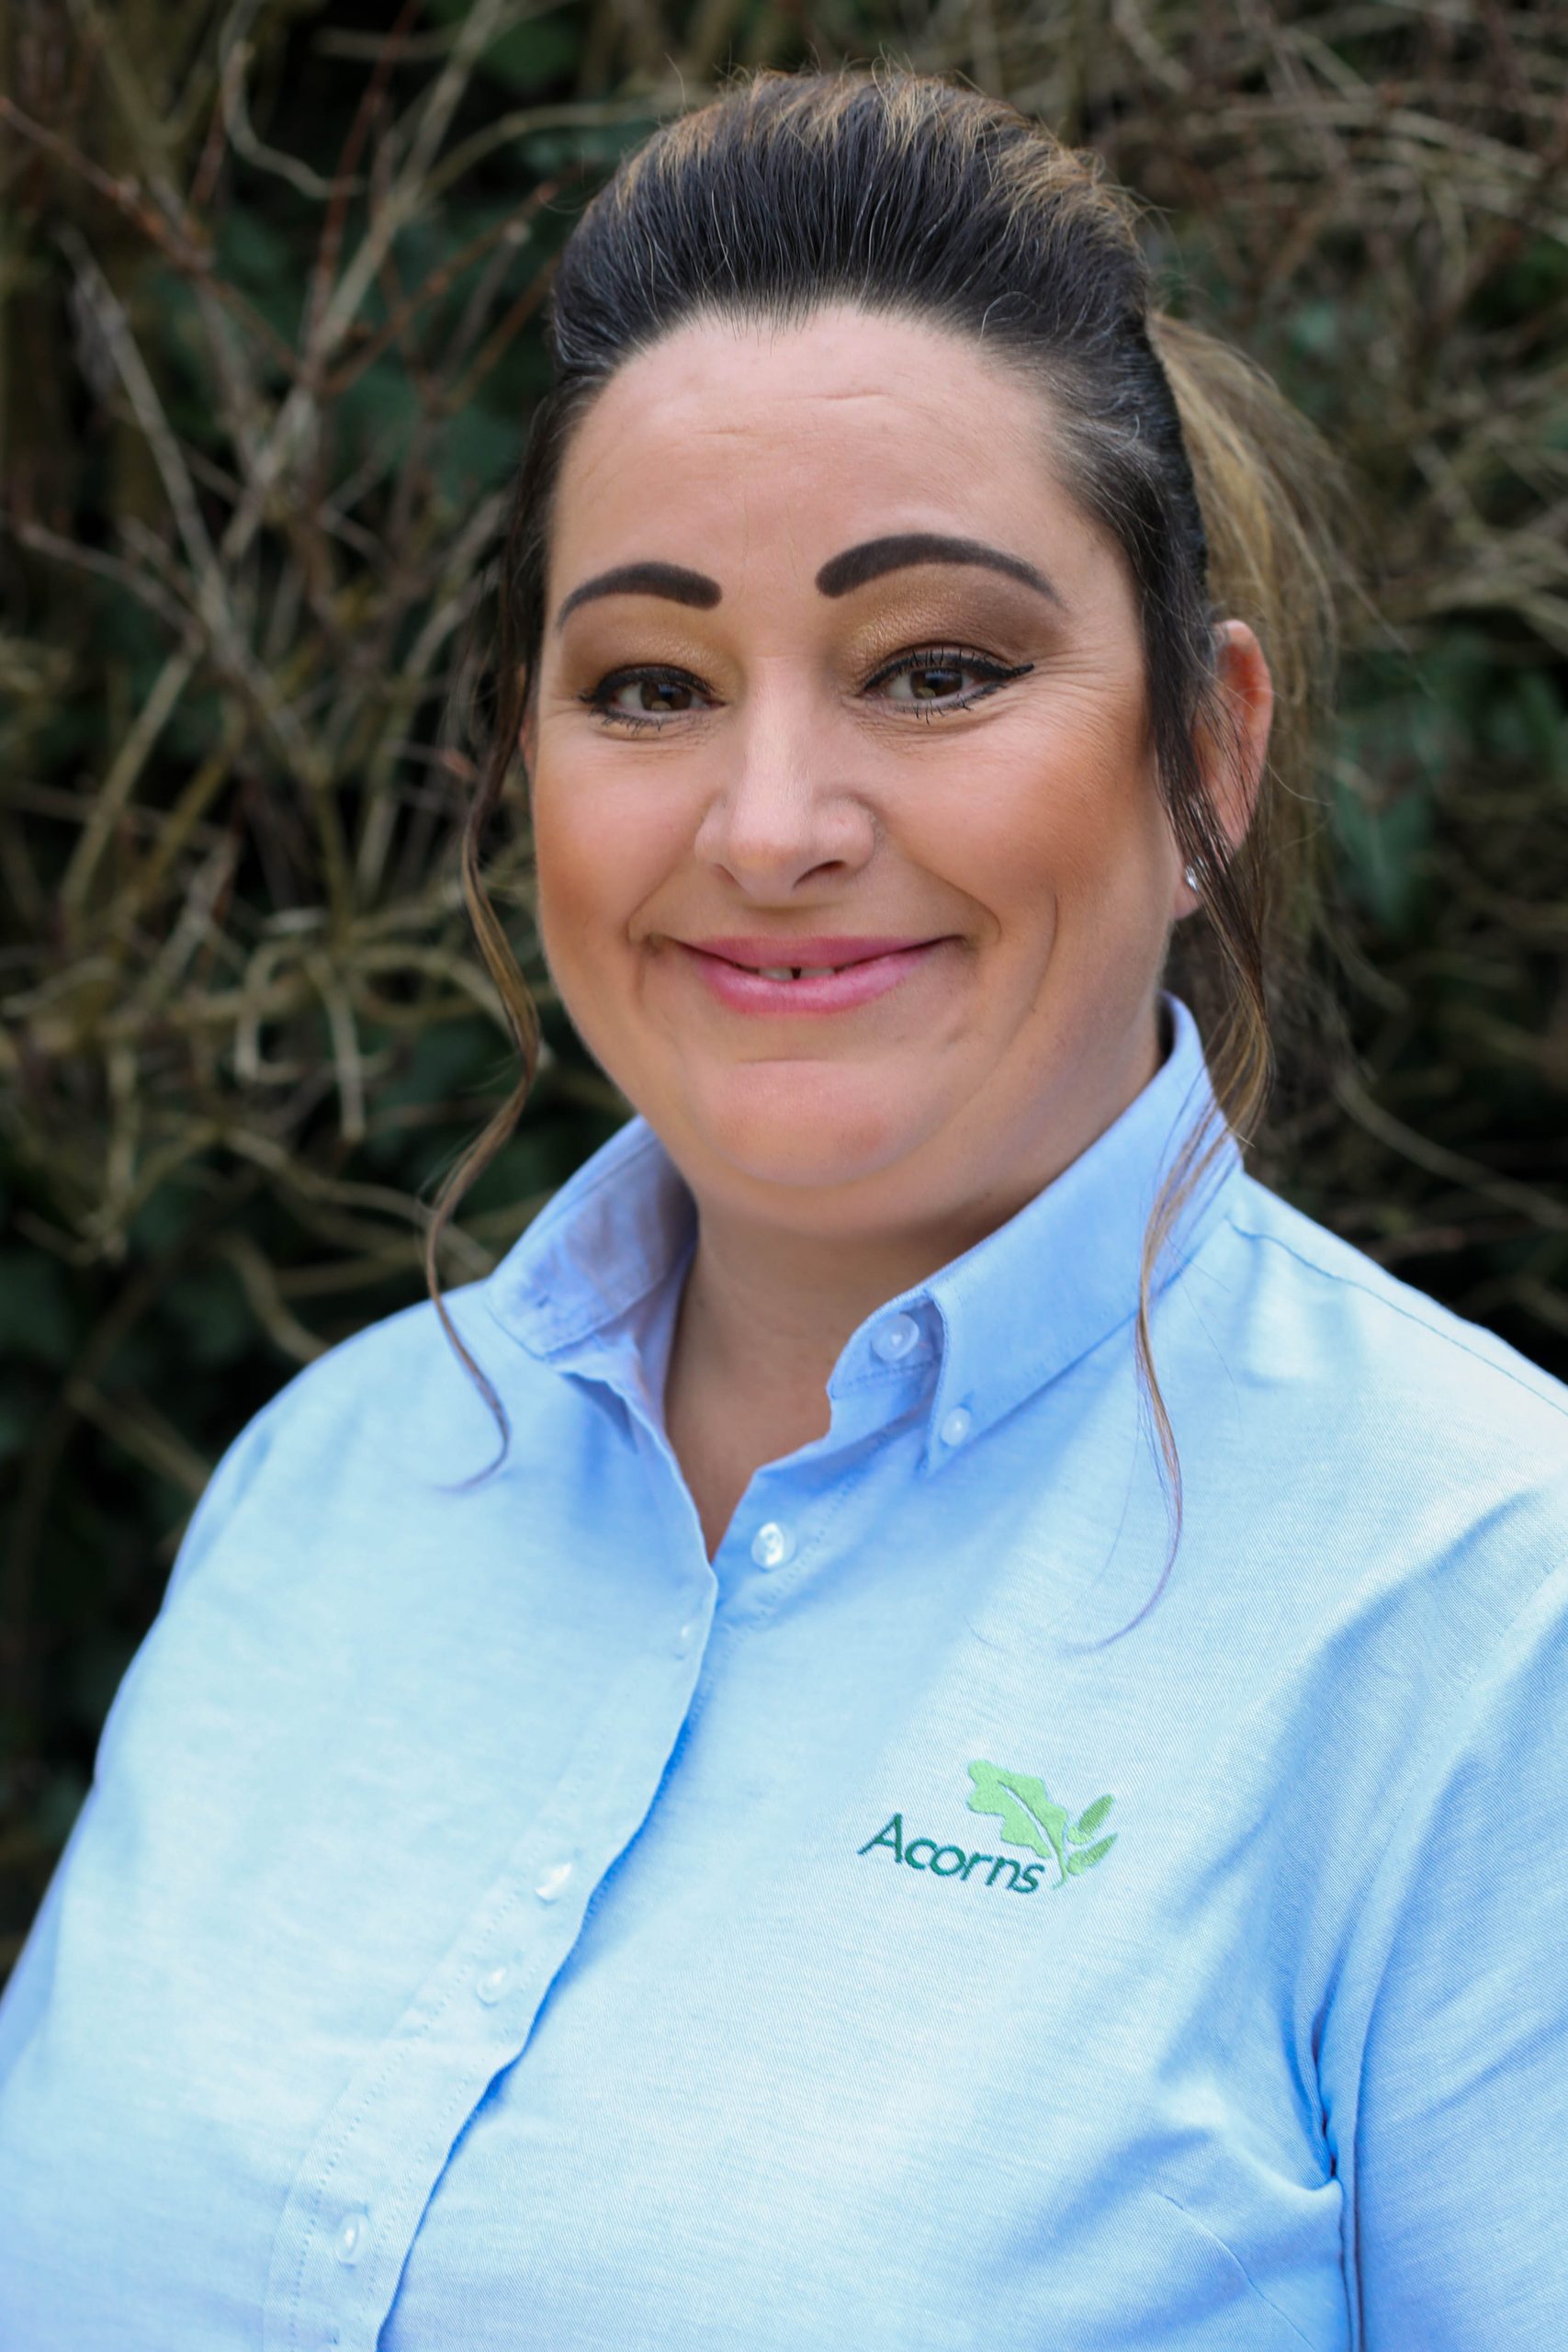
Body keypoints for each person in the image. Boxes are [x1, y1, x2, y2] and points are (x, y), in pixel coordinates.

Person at [1, 62, 1564, 2352]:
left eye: (935, 667)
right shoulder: (327, 1478)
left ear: (1206, 755)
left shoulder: (1481, 1616)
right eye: (644, 682)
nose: (766, 820)